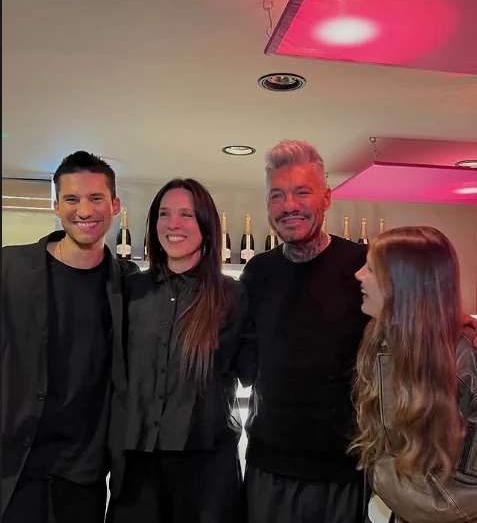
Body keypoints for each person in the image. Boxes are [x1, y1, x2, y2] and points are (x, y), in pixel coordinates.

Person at [107, 178, 255, 523]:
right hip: (137, 471)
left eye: (186, 214)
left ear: (206, 224)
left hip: (208, 473)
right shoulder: (129, 291)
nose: (173, 224)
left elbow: (252, 372)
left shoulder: (232, 296)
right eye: (164, 214)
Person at [2, 151, 137, 523]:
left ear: (115, 205)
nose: (85, 210)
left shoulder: (129, 284)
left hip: (83, 477)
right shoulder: (9, 268)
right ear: (56, 206)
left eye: (96, 198)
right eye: (72, 199)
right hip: (14, 468)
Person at [242, 140, 371, 523]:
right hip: (269, 465)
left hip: (345, 469)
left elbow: (410, 323)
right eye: (277, 195)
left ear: (327, 198)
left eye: (302, 192)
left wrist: (458, 323)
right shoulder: (258, 272)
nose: (289, 205)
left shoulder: (364, 266)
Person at [351, 226, 477, 523]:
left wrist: (380, 474)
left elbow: (462, 497)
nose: (358, 274)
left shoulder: (465, 361)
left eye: (371, 268)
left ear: (404, 283)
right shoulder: (380, 338)